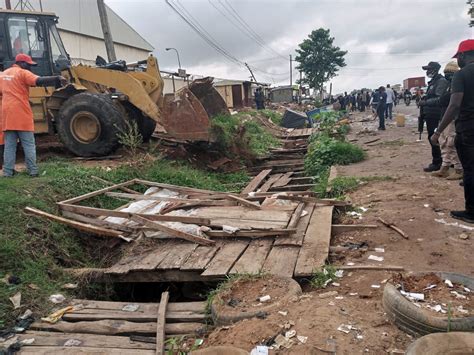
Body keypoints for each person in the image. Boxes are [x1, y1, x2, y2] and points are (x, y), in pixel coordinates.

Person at [2, 54, 66, 177]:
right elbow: (39, 80)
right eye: (29, 65)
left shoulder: (3, 74)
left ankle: (7, 172)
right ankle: (33, 171)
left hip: (7, 114)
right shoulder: (22, 73)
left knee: (9, 145)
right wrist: (57, 78)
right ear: (23, 63)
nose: (30, 68)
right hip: (21, 113)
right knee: (28, 143)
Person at [431, 40, 474, 223]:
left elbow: (454, 104)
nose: (458, 61)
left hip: (468, 128)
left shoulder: (461, 75)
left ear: (463, 55)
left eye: (459, 57)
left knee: (471, 170)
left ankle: (471, 211)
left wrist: (438, 131)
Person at [431, 61, 463, 180]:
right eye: (446, 73)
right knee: (442, 141)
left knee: (451, 143)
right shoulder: (447, 85)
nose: (447, 75)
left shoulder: (458, 84)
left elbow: (447, 101)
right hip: (444, 116)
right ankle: (445, 167)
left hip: (452, 118)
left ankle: (459, 169)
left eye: (450, 73)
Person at [419, 61, 448, 172]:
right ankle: (439, 161)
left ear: (435, 70)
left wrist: (425, 103)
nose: (427, 72)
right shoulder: (433, 82)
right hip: (430, 114)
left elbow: (440, 99)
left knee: (435, 138)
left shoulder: (441, 81)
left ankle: (438, 162)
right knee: (432, 137)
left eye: (429, 69)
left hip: (436, 114)